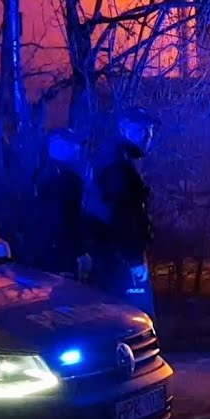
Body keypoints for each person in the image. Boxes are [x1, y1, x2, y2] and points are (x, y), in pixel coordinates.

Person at [84, 109, 158, 319]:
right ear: (124, 128)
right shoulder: (117, 166)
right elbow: (123, 215)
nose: (148, 135)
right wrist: (134, 258)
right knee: (136, 319)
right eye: (142, 129)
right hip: (119, 259)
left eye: (150, 130)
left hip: (112, 254)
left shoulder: (114, 159)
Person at [28, 131, 88, 278]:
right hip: (62, 254)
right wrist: (78, 252)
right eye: (73, 146)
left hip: (43, 250)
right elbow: (69, 220)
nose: (78, 149)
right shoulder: (69, 180)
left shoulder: (41, 174)